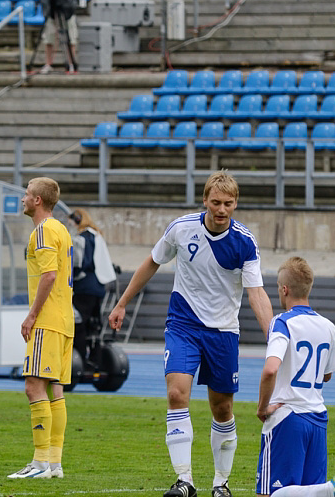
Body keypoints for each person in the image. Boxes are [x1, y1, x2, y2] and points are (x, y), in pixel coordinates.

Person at [108, 170, 274, 497]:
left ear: (235, 203)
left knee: (222, 408)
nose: (222, 209)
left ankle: (220, 484)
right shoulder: (181, 229)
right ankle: (184, 480)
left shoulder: (245, 242)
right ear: (205, 200)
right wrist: (122, 302)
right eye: (216, 202)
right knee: (176, 394)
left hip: (223, 332)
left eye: (228, 203)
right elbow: (152, 263)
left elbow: (256, 293)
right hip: (183, 325)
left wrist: (274, 338)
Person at [256, 257, 335, 497]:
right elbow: (326, 375)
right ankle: (327, 490)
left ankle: (329, 489)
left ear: (284, 290)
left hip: (288, 417)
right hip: (317, 418)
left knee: (269, 494)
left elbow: (270, 369)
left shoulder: (282, 323)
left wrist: (262, 407)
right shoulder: (328, 326)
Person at [7, 177, 73, 480]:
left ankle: (40, 463)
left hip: (47, 320)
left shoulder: (44, 230)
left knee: (34, 386)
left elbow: (48, 275)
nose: (22, 198)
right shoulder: (61, 229)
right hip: (64, 320)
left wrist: (31, 316)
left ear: (37, 200)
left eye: (26, 194)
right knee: (55, 389)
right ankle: (54, 463)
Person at [69, 208, 116, 361]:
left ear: (77, 220)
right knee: (94, 324)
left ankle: (80, 358)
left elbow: (82, 263)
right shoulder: (97, 235)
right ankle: (96, 359)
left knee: (78, 322)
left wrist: (70, 276)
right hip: (98, 286)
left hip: (84, 286)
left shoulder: (82, 237)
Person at [38, 0, 80, 74]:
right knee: (49, 38)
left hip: (68, 12)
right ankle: (48, 63)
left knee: (71, 38)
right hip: (51, 12)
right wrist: (48, 11)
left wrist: (70, 7)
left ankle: (71, 63)